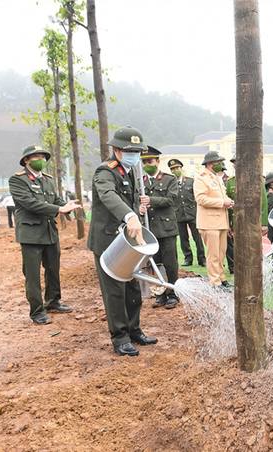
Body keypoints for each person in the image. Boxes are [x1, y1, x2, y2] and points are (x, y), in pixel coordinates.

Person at [87, 126, 158, 356]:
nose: (135, 155)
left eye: (138, 151)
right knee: (115, 291)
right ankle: (120, 337)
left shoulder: (131, 172)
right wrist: (130, 215)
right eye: (130, 150)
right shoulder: (105, 172)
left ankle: (133, 330)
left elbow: (128, 200)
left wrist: (137, 208)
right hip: (108, 240)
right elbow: (109, 196)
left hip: (127, 240)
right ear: (116, 150)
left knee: (132, 288)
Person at [9, 145, 80, 324]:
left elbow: (55, 199)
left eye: (43, 156)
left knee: (53, 269)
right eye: (36, 156)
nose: (41, 159)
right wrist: (58, 208)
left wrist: (66, 205)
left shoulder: (48, 180)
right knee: (32, 275)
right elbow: (30, 203)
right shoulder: (17, 180)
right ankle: (37, 311)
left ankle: (53, 301)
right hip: (30, 234)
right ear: (26, 160)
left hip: (49, 231)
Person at [141, 146, 180, 309]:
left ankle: (173, 294)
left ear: (158, 162)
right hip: (150, 230)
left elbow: (171, 199)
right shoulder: (140, 182)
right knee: (155, 264)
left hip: (166, 228)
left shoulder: (169, 179)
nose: (147, 165)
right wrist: (140, 207)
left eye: (150, 161)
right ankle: (161, 293)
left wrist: (150, 200)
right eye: (144, 162)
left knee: (170, 263)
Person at [194, 150, 234, 290]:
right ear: (210, 164)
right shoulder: (201, 178)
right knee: (213, 255)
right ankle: (215, 282)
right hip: (209, 223)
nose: (221, 165)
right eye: (218, 163)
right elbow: (201, 199)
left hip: (221, 222)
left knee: (221, 253)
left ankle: (222, 279)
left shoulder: (216, 178)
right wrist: (222, 202)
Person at [225, 153, 268, 275]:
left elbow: (263, 202)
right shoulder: (230, 182)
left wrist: (264, 223)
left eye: (238, 162)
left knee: (255, 249)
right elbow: (228, 206)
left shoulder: (257, 178)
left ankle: (257, 273)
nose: (236, 165)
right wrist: (229, 224)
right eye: (234, 163)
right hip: (238, 222)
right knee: (239, 250)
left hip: (253, 221)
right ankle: (242, 274)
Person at [168, 158, 206, 268]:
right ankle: (188, 258)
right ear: (171, 171)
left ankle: (202, 259)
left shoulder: (190, 181)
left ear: (181, 169)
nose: (176, 170)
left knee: (197, 238)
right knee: (183, 239)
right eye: (173, 169)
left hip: (192, 213)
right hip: (178, 214)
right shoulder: (171, 183)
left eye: (177, 168)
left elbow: (196, 197)